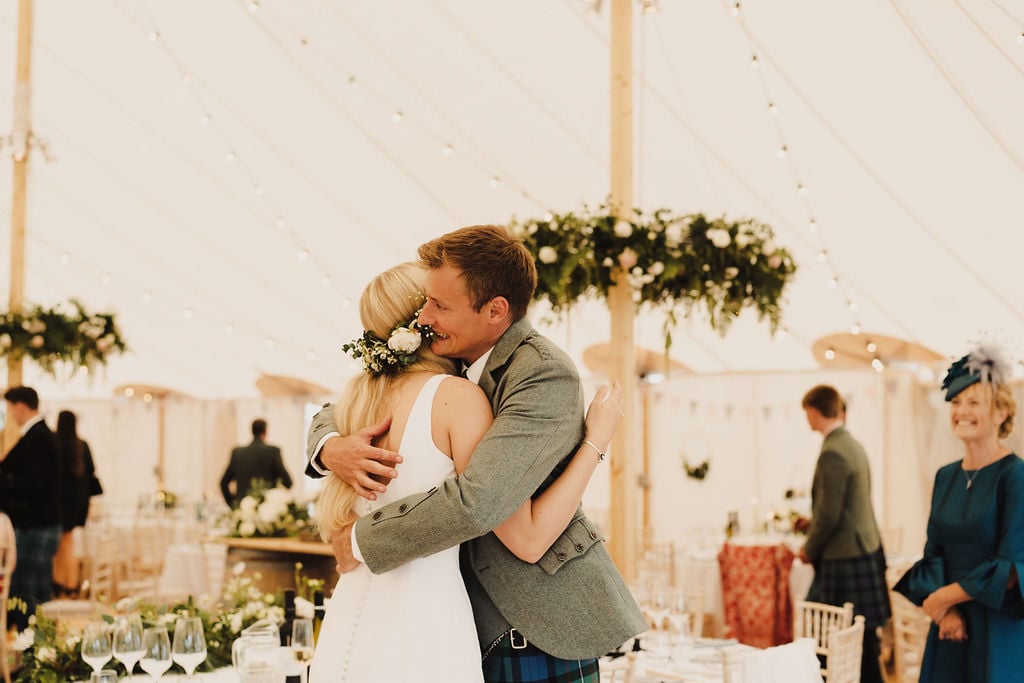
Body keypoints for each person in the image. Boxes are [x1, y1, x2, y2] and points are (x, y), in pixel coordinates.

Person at [307, 225, 646, 683]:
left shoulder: (540, 373)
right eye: (423, 303)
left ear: (495, 311)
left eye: (439, 306)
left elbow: (482, 504)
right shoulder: (449, 373)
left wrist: (360, 541)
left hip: (530, 621)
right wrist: (329, 447)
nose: (425, 318)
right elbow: (332, 411)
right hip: (454, 619)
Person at [894, 344, 1024, 681]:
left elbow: (1011, 566)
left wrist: (940, 597)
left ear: (1001, 413)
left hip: (997, 625)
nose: (960, 410)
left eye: (974, 401)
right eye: (955, 401)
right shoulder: (945, 476)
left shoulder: (1015, 475)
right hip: (950, 626)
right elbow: (933, 551)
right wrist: (946, 611)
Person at [797, 384, 889, 683]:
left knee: (834, 635)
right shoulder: (853, 444)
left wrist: (809, 549)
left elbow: (829, 514)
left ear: (813, 412)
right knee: (863, 637)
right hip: (864, 548)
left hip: (845, 554)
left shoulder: (833, 451)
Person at [0, 386, 63, 630]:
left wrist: (4, 477)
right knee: (31, 589)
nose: (10, 414)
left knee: (30, 592)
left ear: (20, 406)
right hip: (39, 523)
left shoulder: (38, 438)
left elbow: (32, 484)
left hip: (37, 525)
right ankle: (34, 649)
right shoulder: (38, 435)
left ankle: (34, 651)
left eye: (10, 408)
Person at [52, 410, 99, 595]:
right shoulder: (81, 445)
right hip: (77, 502)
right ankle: (69, 583)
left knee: (60, 544)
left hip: (59, 501)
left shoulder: (55, 443)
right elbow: (92, 470)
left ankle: (61, 582)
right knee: (67, 542)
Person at [219, 418, 293, 506]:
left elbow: (223, 482)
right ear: (265, 431)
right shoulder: (273, 452)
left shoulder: (238, 453)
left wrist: (233, 504)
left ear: (252, 431)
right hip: (266, 509)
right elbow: (288, 482)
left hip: (243, 510)